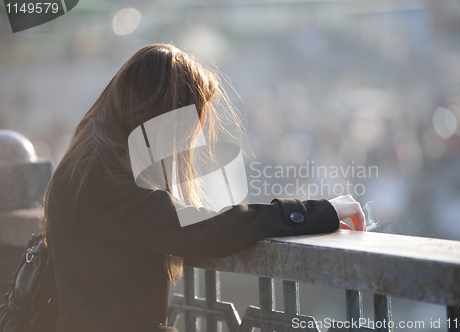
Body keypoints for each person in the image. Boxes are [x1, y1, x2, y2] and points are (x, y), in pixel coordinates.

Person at [41, 43, 366, 332]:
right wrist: (317, 211)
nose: (187, 144)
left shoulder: (93, 157)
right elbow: (204, 229)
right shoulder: (100, 178)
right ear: (161, 115)